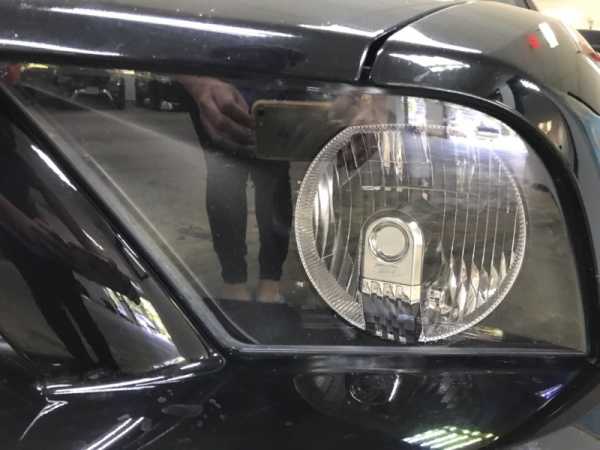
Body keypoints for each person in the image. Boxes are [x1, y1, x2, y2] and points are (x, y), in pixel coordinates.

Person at [179, 76, 292, 303]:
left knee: (271, 183)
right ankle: (239, 282)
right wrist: (198, 82)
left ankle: (262, 282)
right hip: (220, 90)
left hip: (276, 89)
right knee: (228, 181)